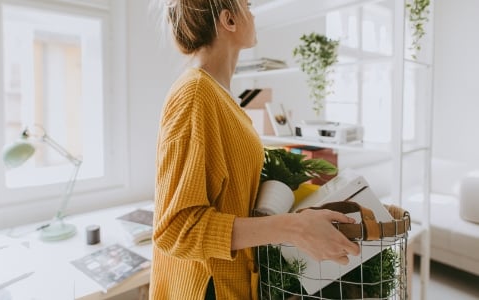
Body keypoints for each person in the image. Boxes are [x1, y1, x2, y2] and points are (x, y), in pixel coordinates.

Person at [150, 0, 360, 299]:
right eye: (247, 5)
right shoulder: (195, 95)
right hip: (207, 288)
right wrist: (293, 228)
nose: (253, 13)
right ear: (229, 20)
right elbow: (175, 230)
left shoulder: (220, 95)